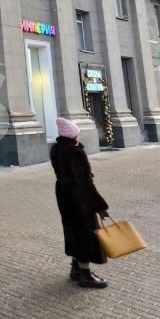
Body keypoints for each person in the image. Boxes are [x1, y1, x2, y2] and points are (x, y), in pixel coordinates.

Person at [50, 117, 109, 289]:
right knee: (85, 233)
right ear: (73, 135)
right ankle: (85, 274)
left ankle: (75, 268)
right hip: (79, 198)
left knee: (72, 230)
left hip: (63, 194)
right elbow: (85, 184)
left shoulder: (56, 149)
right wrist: (100, 206)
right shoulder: (76, 152)